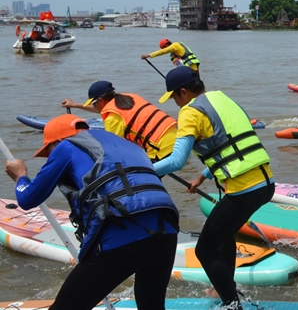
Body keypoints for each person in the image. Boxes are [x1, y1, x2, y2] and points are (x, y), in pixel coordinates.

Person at [5, 114, 179, 310]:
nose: (50, 157)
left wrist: (21, 176)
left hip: (120, 237)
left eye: (49, 151)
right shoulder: (128, 144)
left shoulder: (66, 146)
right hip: (167, 233)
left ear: (59, 141)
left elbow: (28, 198)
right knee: (152, 307)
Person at [154, 66, 273, 308]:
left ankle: (232, 304)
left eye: (174, 98)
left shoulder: (189, 112)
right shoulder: (223, 99)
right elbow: (231, 143)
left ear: (183, 92)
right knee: (224, 235)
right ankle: (227, 289)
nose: (176, 104)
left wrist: (142, 169)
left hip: (243, 190)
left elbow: (176, 161)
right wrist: (202, 176)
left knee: (205, 250)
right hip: (265, 183)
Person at [60, 80, 177, 162]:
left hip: (163, 150)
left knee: (133, 181)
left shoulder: (112, 119)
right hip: (176, 139)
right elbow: (104, 111)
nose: (94, 106)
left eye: (93, 103)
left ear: (100, 101)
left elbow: (114, 151)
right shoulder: (128, 98)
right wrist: (75, 105)